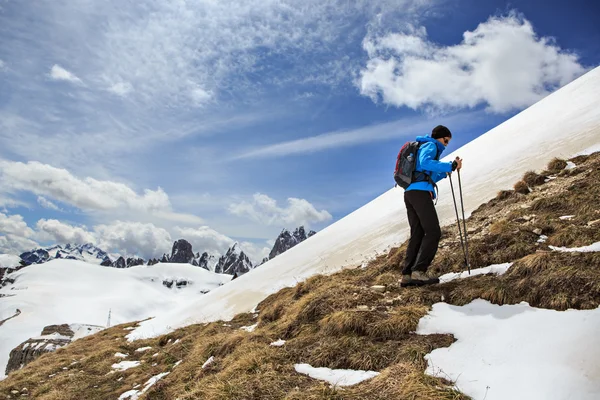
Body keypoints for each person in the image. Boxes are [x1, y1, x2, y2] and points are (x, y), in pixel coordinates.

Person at [400, 125, 462, 287]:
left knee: (418, 233)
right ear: (440, 137)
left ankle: (407, 275)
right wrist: (449, 165)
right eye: (446, 140)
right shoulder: (431, 145)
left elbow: (429, 174)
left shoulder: (423, 146)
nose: (447, 144)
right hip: (420, 194)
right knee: (433, 231)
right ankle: (419, 272)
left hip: (410, 193)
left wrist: (449, 170)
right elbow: (426, 163)